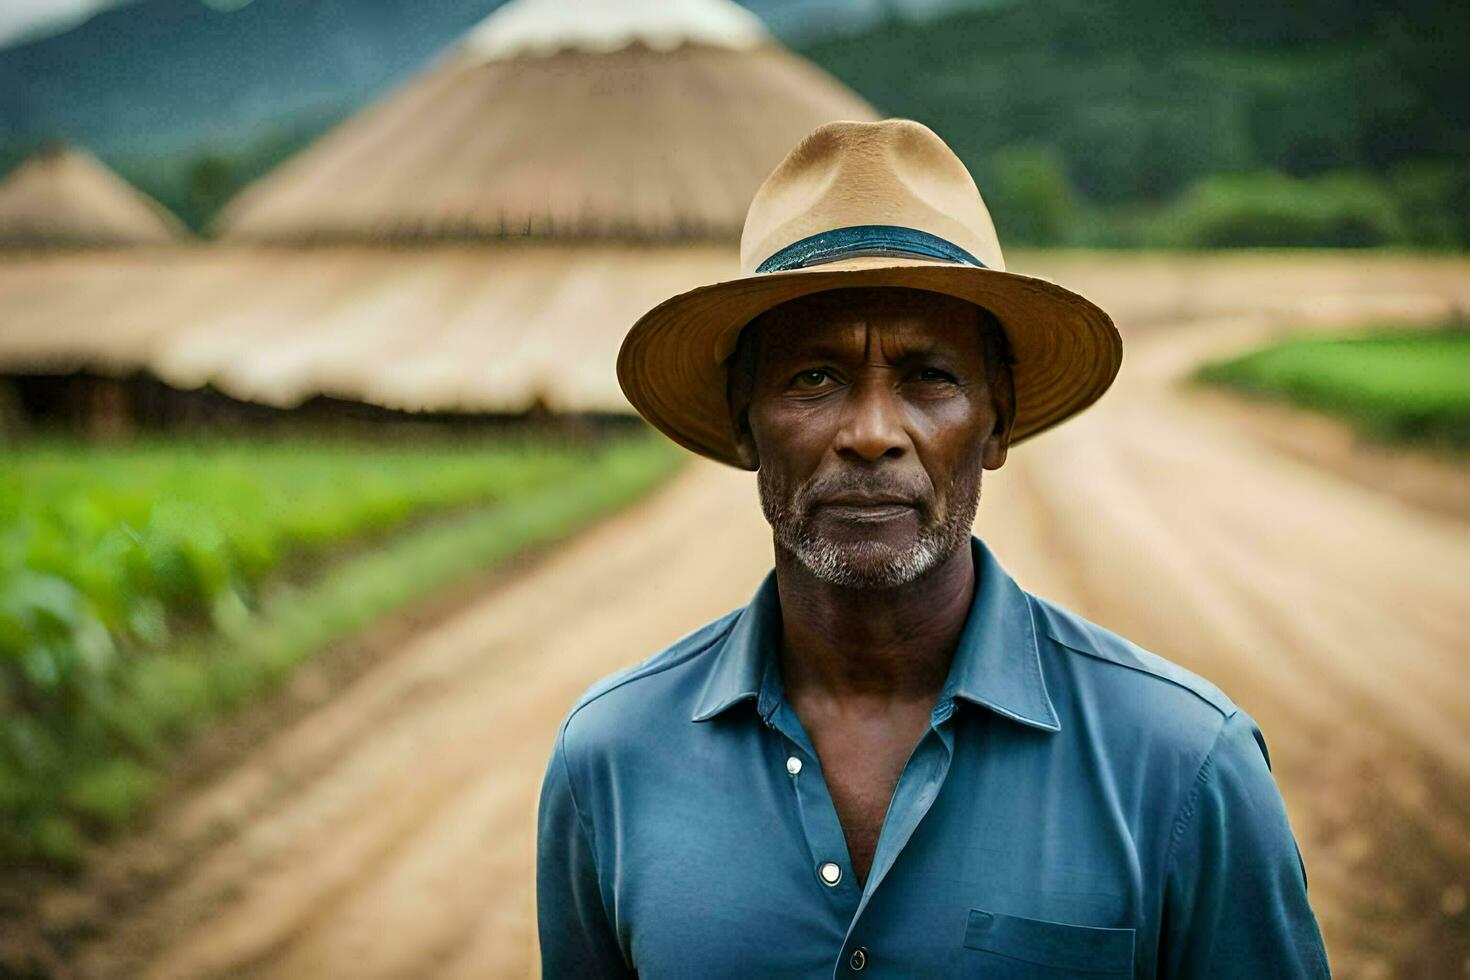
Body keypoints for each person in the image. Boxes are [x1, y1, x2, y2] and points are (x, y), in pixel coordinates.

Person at [536, 118, 1330, 978]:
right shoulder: (611, 759)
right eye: (814, 377)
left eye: (930, 377)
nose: (872, 433)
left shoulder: (1182, 767)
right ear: (742, 422)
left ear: (998, 420)